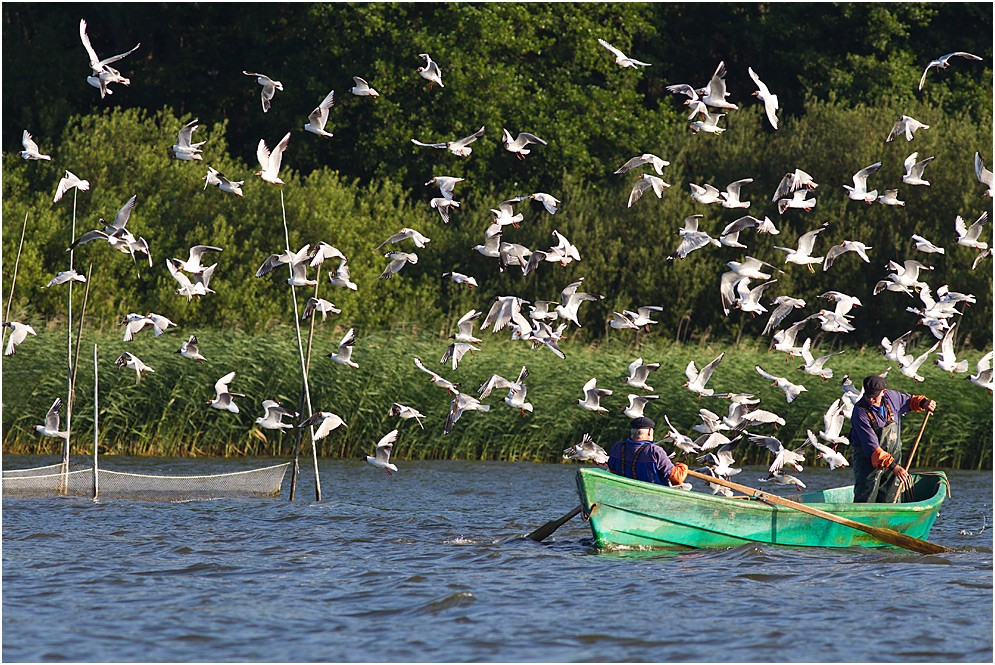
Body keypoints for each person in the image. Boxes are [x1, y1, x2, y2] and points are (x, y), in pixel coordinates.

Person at [849, 374, 936, 503]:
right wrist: (895, 467)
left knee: (890, 498)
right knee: (866, 499)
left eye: (874, 396)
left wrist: (925, 403)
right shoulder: (860, 412)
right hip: (868, 463)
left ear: (883, 392)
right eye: (868, 395)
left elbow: (911, 401)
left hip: (893, 459)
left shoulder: (892, 397)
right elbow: (872, 447)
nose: (871, 399)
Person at [607, 416, 689, 487]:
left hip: (624, 493)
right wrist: (682, 466)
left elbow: (612, 471)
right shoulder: (655, 451)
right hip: (653, 497)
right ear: (650, 432)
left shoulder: (617, 447)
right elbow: (677, 478)